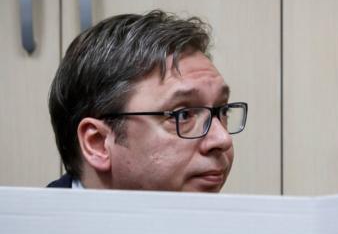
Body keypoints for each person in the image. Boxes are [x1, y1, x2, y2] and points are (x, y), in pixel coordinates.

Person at [46, 10, 248, 192]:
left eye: (222, 111)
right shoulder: (34, 232)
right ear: (97, 143)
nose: (223, 139)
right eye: (183, 115)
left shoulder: (232, 229)